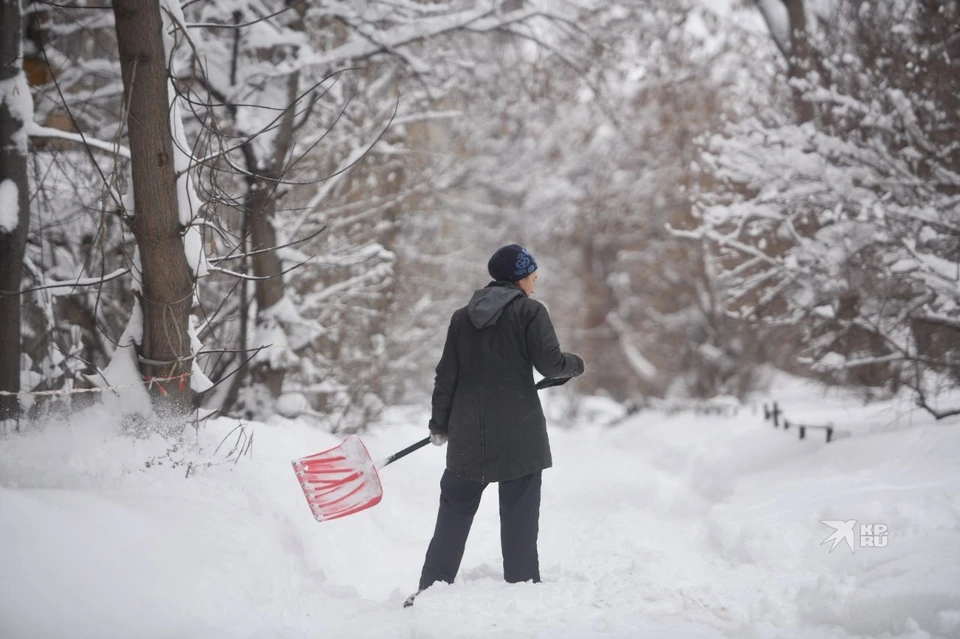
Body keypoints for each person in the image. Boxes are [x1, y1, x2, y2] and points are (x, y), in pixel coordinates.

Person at [406, 244, 585, 607]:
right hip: (519, 431)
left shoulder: (461, 318)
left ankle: (430, 591)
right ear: (520, 276)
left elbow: (446, 376)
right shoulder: (531, 313)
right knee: (519, 513)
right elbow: (551, 364)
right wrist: (575, 364)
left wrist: (440, 423)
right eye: (533, 275)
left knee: (454, 511)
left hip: (468, 433)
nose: (536, 281)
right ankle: (522, 590)